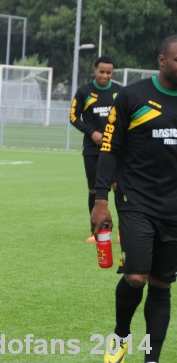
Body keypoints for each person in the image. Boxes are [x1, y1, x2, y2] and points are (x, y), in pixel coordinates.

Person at [93, 35, 177, 363]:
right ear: (161, 60)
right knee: (136, 276)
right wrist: (100, 199)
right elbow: (110, 148)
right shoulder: (133, 96)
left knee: (161, 283)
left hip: (174, 207)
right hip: (135, 200)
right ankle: (121, 335)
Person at [70, 56, 120, 242]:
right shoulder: (84, 92)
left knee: (118, 186)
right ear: (95, 70)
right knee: (94, 190)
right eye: (102, 72)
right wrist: (92, 133)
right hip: (92, 149)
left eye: (109, 73)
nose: (105, 76)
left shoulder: (119, 91)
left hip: (115, 149)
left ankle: (124, 230)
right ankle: (96, 232)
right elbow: (73, 117)